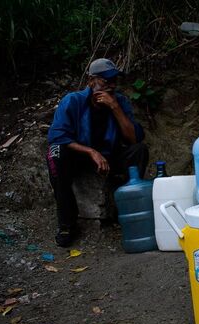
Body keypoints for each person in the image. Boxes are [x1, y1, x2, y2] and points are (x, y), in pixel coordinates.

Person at [46, 58, 148, 247]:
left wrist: (115, 108)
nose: (111, 86)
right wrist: (91, 151)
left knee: (139, 150)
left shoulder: (120, 102)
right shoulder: (73, 101)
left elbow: (134, 139)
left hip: (110, 156)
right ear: (91, 81)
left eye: (114, 81)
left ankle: (124, 208)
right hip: (80, 156)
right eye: (106, 81)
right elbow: (57, 137)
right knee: (55, 152)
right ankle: (66, 223)